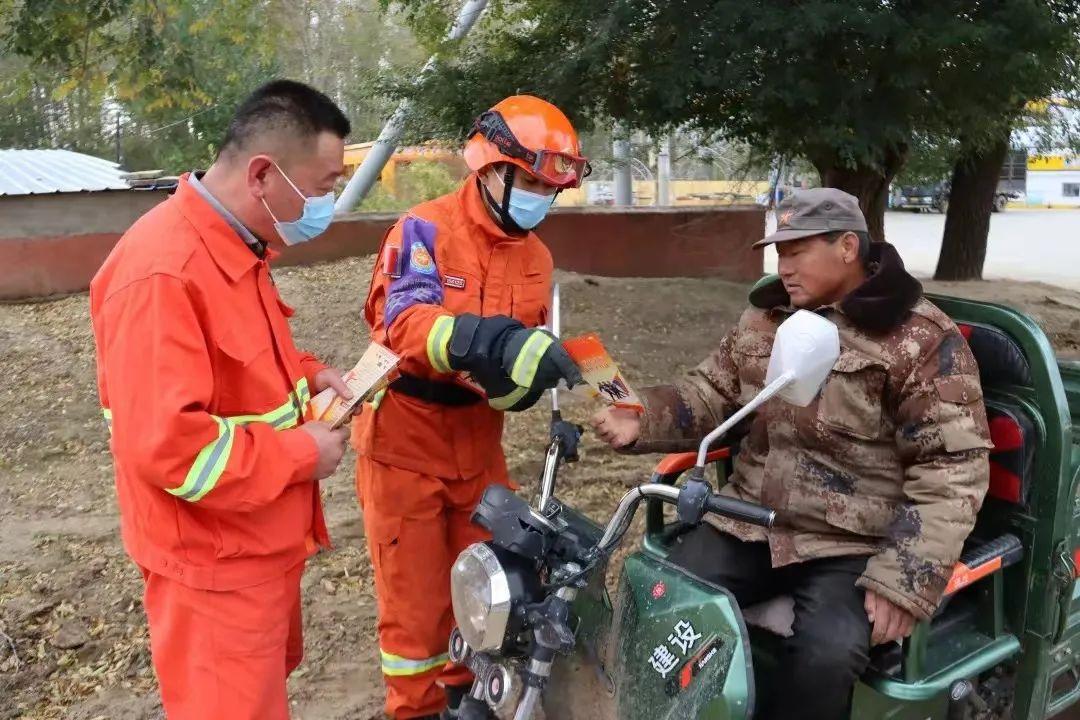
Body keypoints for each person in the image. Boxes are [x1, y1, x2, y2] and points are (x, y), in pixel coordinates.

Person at [592, 188, 991, 720]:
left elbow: (953, 469)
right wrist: (641, 418)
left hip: (850, 543)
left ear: (848, 247)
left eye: (796, 251)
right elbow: (711, 394)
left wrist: (904, 578)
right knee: (661, 600)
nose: (784, 268)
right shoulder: (767, 320)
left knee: (827, 655)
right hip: (749, 520)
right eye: (779, 253)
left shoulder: (917, 340)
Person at [90, 80, 354, 720]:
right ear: (264, 174)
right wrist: (299, 454)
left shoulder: (236, 245)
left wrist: (310, 374)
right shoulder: (163, 272)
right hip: (211, 570)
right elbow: (171, 449)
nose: (328, 202)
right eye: (323, 185)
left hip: (252, 548)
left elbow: (245, 365)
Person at [352, 95, 587, 719]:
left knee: (489, 592)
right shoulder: (423, 229)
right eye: (532, 180)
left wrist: (523, 381)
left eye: (551, 186)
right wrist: (490, 339)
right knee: (415, 613)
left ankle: (468, 701)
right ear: (491, 169)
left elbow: (510, 361)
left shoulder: (536, 256)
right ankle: (417, 710)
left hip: (480, 446)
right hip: (405, 445)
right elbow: (403, 323)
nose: (541, 196)